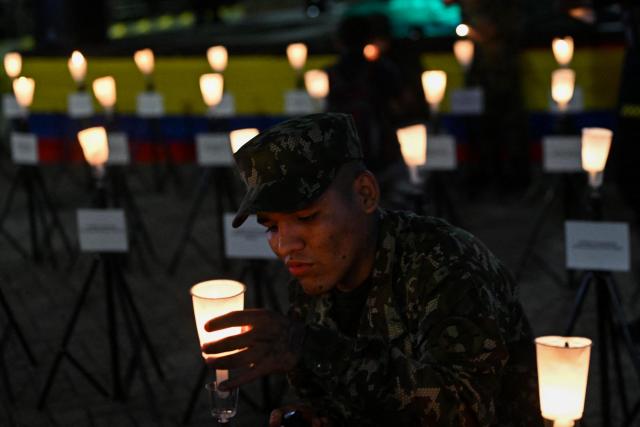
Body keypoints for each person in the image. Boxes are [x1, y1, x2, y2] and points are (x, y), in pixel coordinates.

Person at [201, 113, 542, 426]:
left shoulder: (446, 264)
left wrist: (313, 349)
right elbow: (342, 398)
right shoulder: (313, 281)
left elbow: (465, 412)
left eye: (306, 217)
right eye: (271, 227)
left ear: (365, 193)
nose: (286, 246)